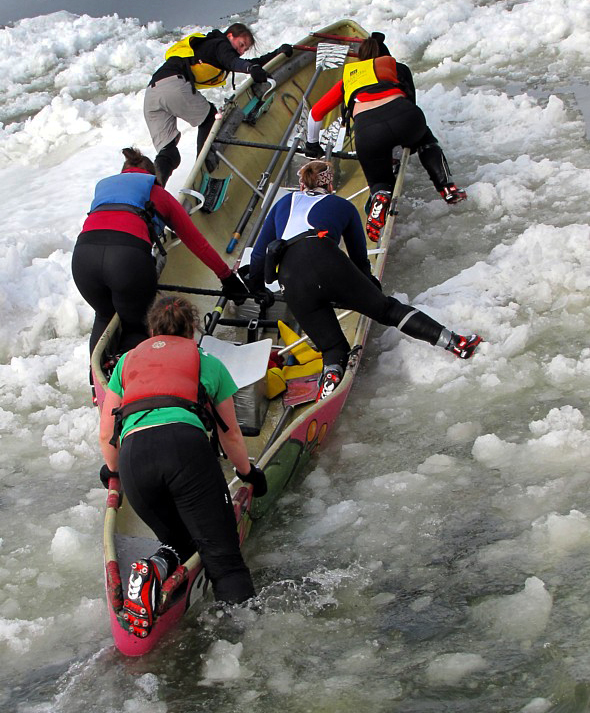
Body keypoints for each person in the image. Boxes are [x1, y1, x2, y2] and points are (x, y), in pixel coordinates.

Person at [98, 295, 267, 637]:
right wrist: (248, 474)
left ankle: (156, 568)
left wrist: (114, 472)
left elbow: (106, 435)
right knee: (224, 560)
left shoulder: (126, 362)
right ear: (192, 331)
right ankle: (243, 645)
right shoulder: (208, 363)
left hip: (134, 461)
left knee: (180, 541)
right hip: (184, 451)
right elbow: (230, 434)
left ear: (151, 330)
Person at [247, 160, 481, 401]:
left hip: (290, 276)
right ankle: (456, 343)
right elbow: (359, 258)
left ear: (301, 183)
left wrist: (257, 289)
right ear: (330, 185)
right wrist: (371, 290)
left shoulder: (283, 203)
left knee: (333, 348)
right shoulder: (342, 206)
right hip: (325, 259)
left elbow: (257, 255)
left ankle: (330, 380)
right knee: (388, 310)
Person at [72, 146, 248, 360]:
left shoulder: (104, 188)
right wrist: (227, 277)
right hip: (126, 260)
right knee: (136, 326)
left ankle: (98, 387)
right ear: (152, 176)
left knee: (104, 316)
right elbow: (196, 242)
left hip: (83, 260)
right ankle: (139, 385)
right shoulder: (155, 192)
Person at [305, 32, 467, 242]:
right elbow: (411, 100)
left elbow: (315, 114)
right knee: (425, 140)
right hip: (405, 117)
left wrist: (312, 146)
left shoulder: (349, 78)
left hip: (369, 131)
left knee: (379, 180)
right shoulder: (397, 68)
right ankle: (446, 187)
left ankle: (380, 196)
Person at [144, 22, 293, 186]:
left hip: (152, 93)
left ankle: (154, 194)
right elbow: (234, 62)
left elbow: (243, 62)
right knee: (209, 118)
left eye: (245, 49)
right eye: (241, 44)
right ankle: (203, 172)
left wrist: (276, 54)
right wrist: (250, 68)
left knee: (169, 153)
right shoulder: (219, 44)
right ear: (230, 36)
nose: (242, 51)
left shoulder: (214, 49)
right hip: (172, 84)